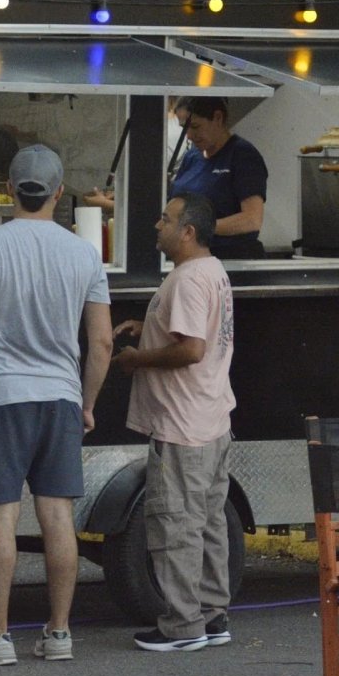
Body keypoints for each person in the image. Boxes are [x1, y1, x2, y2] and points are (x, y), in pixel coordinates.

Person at [0, 144, 113, 665]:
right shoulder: (84, 253)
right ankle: (58, 633)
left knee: (1, 521)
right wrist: (87, 402)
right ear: (59, 194)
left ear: (9, 189)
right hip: (60, 398)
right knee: (58, 516)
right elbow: (101, 343)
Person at [113, 192, 236, 652]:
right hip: (213, 417)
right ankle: (212, 613)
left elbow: (190, 350)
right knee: (208, 523)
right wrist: (146, 328)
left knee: (175, 524)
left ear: (188, 232)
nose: (157, 226)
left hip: (182, 425)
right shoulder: (213, 271)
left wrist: (137, 359)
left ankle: (182, 627)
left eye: (166, 220)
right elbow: (192, 334)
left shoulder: (186, 279)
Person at [169, 96, 267, 259]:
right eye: (184, 128)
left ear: (218, 118)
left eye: (195, 126)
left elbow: (252, 219)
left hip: (230, 260)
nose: (189, 135)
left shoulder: (242, 155)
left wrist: (201, 227)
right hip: (192, 259)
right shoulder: (192, 156)